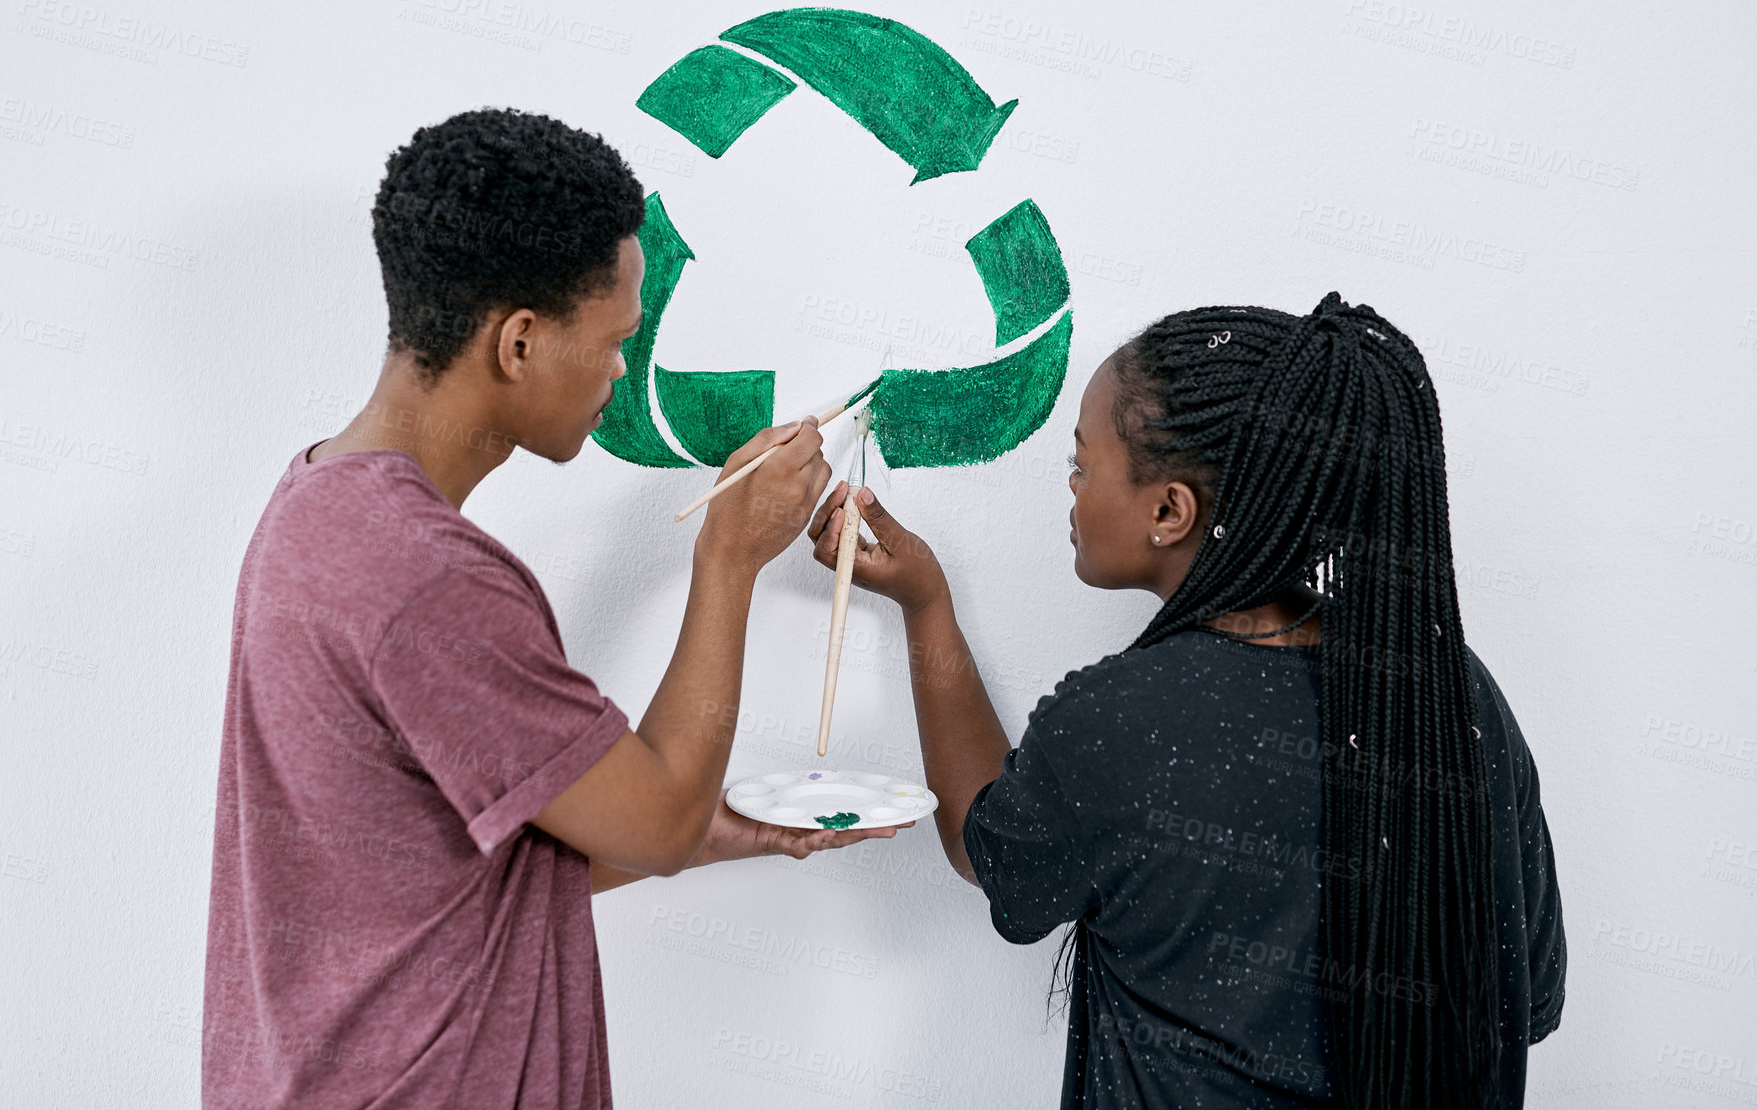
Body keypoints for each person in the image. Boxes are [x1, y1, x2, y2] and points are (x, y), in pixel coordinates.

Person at [201, 107, 904, 1109]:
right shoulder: (427, 576)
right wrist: (728, 559)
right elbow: (653, 826)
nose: (622, 370)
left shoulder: (318, 501)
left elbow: (432, 873)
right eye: (615, 338)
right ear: (520, 342)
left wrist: (730, 822)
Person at [808, 294, 1566, 1109]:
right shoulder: (1455, 695)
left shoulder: (1121, 722)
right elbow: (1528, 999)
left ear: (1169, 510)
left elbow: (991, 854)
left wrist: (926, 607)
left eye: (1081, 464)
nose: (1070, 488)